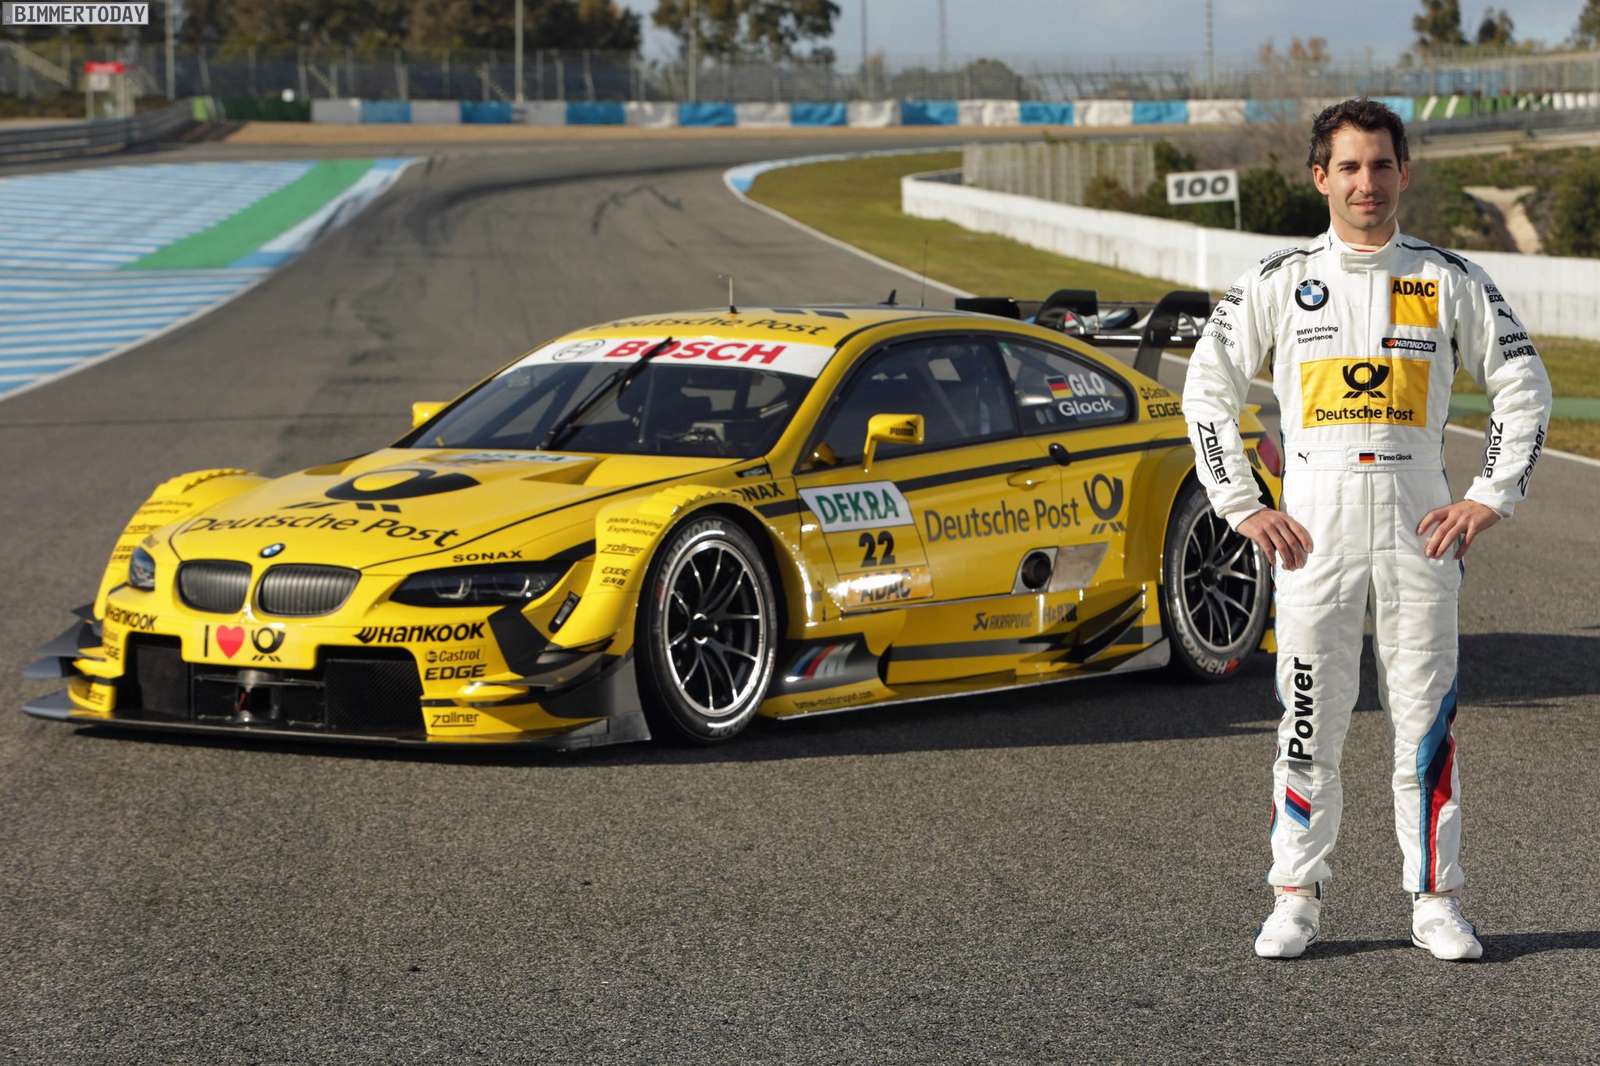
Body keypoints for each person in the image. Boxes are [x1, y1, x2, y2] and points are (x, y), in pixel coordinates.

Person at [1181, 98, 1552, 961]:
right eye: (1348, 166)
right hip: (1314, 528)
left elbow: (1524, 386)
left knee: (1425, 725)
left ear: (1403, 173)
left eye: (1381, 165)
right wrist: (1242, 504)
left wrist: (1489, 496)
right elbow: (1206, 390)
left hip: (1422, 526)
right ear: (1321, 177)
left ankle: (1436, 900)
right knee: (1309, 721)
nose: (1366, 182)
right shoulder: (1277, 279)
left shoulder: (1449, 277)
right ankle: (1294, 896)